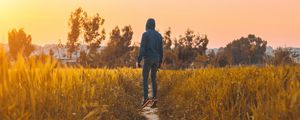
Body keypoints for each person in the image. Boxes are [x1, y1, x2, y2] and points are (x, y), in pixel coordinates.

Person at [136, 18, 163, 108]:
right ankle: (155, 99)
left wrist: (138, 60)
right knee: (154, 78)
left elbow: (142, 49)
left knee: (145, 78)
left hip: (148, 59)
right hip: (156, 59)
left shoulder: (145, 34)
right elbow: (161, 50)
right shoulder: (159, 36)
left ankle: (146, 99)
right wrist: (160, 62)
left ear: (147, 25)